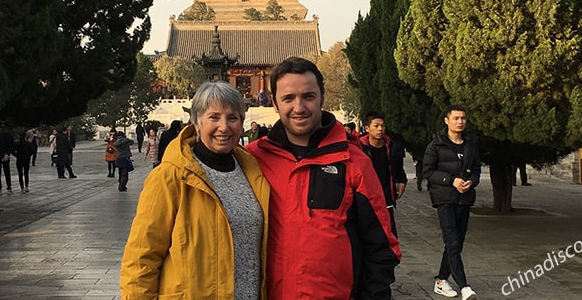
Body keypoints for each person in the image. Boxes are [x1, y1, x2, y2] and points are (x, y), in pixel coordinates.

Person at [245, 57, 400, 299]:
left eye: (308, 96)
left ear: (322, 97)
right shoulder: (252, 160)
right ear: (274, 103)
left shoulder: (354, 162)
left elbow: (381, 246)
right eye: (288, 98)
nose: (299, 107)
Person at [121, 81, 269, 299]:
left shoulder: (253, 173)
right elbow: (141, 259)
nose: (224, 127)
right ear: (197, 122)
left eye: (232, 118)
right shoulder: (171, 176)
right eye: (214, 117)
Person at [423, 104, 481, 300]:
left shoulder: (470, 144)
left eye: (463, 118)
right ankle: (465, 287)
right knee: (453, 242)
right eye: (456, 118)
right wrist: (451, 180)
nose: (460, 121)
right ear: (447, 121)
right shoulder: (436, 145)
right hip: (444, 198)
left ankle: (441, 281)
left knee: (456, 244)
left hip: (464, 199)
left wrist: (471, 181)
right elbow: (428, 172)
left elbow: (476, 170)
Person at [359, 110, 408, 235]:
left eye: (382, 126)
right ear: (367, 128)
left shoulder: (391, 147)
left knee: (390, 236)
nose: (380, 129)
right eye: (376, 126)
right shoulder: (359, 149)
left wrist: (402, 181)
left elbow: (398, 167)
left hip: (386, 199)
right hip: (365, 200)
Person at [0, 127, 14, 195]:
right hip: (6, 155)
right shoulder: (10, 134)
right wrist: (7, 153)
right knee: (7, 172)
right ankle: (9, 187)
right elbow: (11, 145)